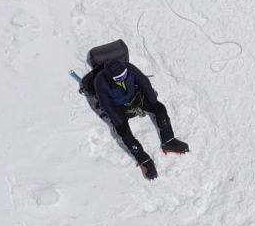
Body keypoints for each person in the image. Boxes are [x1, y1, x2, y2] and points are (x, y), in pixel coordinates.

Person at [80, 40, 189, 179]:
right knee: (124, 132)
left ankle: (168, 141)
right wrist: (120, 122)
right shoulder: (101, 82)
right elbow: (107, 105)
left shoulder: (128, 68)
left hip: (134, 98)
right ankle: (143, 159)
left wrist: (153, 103)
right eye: (119, 78)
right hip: (117, 107)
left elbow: (144, 82)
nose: (124, 77)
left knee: (160, 109)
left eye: (125, 74)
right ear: (111, 78)